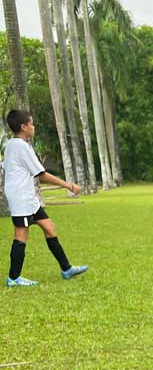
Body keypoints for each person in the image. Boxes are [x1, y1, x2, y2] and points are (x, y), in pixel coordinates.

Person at [3, 109, 88, 287]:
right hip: (21, 198)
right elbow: (41, 175)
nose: (34, 127)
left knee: (49, 227)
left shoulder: (13, 144)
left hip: (29, 198)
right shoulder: (20, 146)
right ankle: (13, 278)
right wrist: (69, 185)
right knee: (21, 235)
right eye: (31, 124)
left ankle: (66, 269)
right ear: (23, 126)